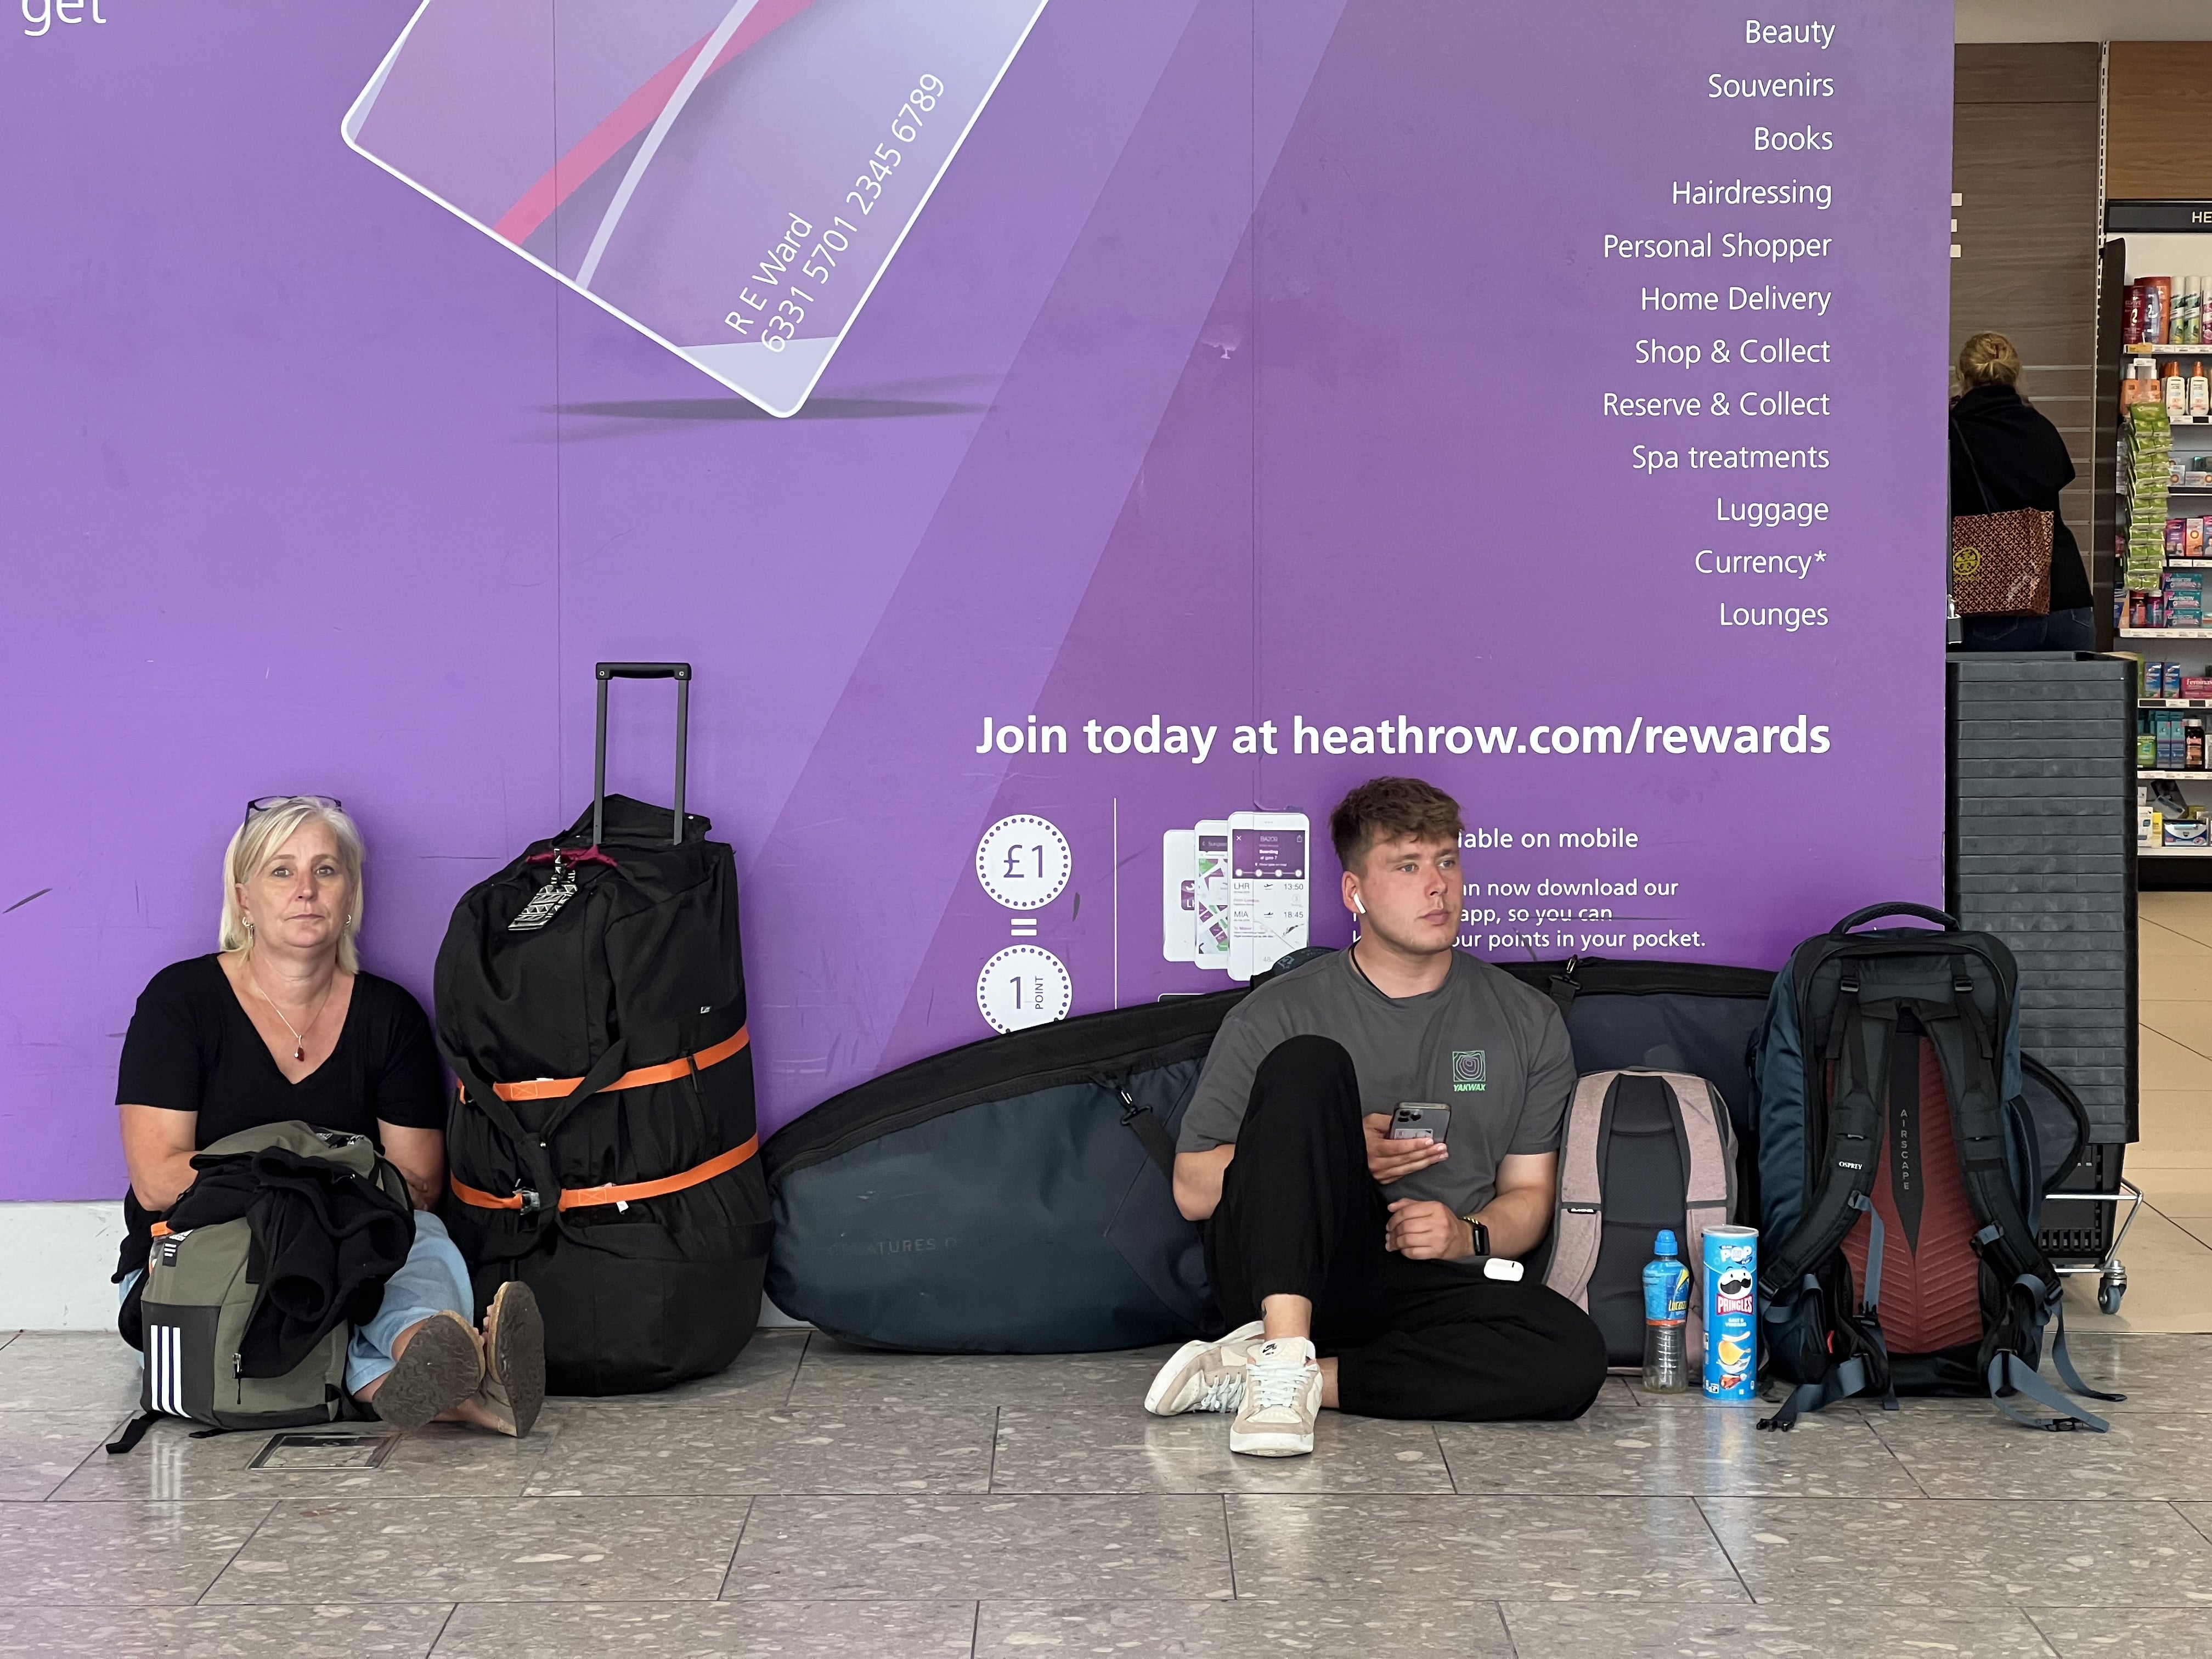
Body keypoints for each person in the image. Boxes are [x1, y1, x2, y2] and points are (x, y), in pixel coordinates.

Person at [1144, 777, 1607, 1457]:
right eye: (1408, 865)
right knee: (1308, 1064)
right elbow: (1192, 1190)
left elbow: (1531, 1197)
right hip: (1286, 1274)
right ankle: (1282, 1348)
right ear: (1354, 891)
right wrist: (1336, 1159)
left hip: (1421, 1282)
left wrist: (1465, 1236)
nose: (1437, 887)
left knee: (1571, 1356)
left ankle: (1282, 1382)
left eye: (1448, 861)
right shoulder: (1279, 1011)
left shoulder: (1527, 1019)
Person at [115, 795, 544, 1436]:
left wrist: (311, 1204)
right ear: (243, 899)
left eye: (326, 870)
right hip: (207, 1248)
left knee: (416, 1240)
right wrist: (321, 1197)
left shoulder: (389, 1015)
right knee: (335, 1264)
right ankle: (471, 1387)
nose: (306, 891)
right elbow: (157, 1180)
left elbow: (418, 1186)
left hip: (357, 1240)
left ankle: (428, 1350)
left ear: (351, 895)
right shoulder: (181, 1001)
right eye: (281, 872)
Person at [1950, 330, 2095, 651]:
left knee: (1994, 703)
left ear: (1962, 375)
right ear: (2016, 373)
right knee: (2074, 702)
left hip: (1997, 599)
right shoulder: (2041, 427)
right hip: (2068, 598)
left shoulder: (1953, 432)